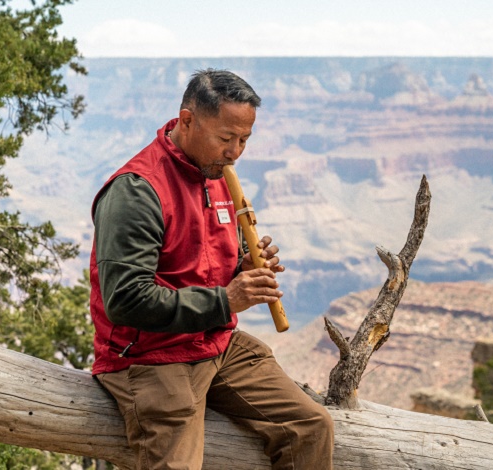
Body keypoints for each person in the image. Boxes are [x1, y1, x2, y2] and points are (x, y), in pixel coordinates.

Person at [89, 69, 334, 469]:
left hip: (213, 343)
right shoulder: (137, 190)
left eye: (244, 140)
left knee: (310, 426)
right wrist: (228, 299)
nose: (236, 152)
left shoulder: (214, 175)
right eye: (226, 138)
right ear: (187, 121)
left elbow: (208, 265)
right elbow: (126, 300)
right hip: (151, 355)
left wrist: (245, 266)